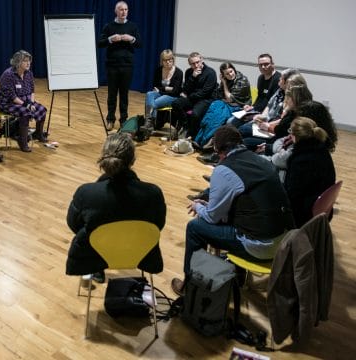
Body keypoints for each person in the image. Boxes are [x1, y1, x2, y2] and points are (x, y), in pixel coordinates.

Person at [171, 126, 293, 296]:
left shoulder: (224, 169)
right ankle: (235, 275)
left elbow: (212, 217)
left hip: (260, 247)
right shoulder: (260, 160)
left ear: (217, 150)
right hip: (284, 241)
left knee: (195, 228)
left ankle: (189, 285)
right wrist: (208, 205)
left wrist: (199, 206)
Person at [66, 133, 166, 283]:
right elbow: (158, 225)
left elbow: (73, 224)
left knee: (89, 230)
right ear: (133, 160)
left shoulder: (86, 193)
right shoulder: (153, 193)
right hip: (142, 252)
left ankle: (96, 269)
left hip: (94, 254)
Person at [284, 117, 336, 227]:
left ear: (294, 135)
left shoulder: (301, 161)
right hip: (317, 206)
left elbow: (292, 195)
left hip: (303, 213)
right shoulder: (321, 150)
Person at [98, 1, 141, 130]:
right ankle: (110, 119)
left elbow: (139, 44)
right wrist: (110, 39)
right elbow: (100, 43)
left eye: (126, 9)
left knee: (124, 94)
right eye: (121, 9)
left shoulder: (132, 26)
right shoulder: (108, 26)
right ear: (116, 11)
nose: (124, 12)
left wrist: (131, 39)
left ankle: (123, 120)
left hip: (127, 65)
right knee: (112, 94)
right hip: (112, 65)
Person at [0, 50, 48, 152]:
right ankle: (22, 140)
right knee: (25, 112)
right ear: (18, 62)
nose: (28, 63)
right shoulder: (8, 75)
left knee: (42, 109)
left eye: (29, 61)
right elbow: (12, 96)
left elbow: (32, 91)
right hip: (7, 102)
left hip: (25, 100)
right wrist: (27, 105)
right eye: (25, 61)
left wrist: (31, 103)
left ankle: (38, 133)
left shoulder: (29, 73)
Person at [193, 62, 252, 148]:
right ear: (223, 75)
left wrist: (224, 83)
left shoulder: (242, 80)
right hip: (226, 104)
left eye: (231, 71)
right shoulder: (227, 80)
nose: (230, 75)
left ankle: (208, 141)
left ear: (234, 69)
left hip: (239, 107)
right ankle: (198, 140)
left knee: (218, 118)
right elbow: (218, 95)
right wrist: (224, 85)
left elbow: (229, 98)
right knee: (210, 114)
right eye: (227, 74)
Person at [171, 52, 217, 139]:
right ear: (189, 64)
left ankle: (193, 135)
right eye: (193, 63)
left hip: (205, 99)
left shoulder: (210, 73)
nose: (196, 65)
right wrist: (193, 77)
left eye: (198, 62)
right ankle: (185, 126)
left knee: (195, 114)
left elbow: (205, 92)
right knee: (175, 103)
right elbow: (185, 89)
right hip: (192, 98)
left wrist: (189, 96)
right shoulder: (189, 72)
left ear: (201, 60)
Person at [144, 49, 183, 131]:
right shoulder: (158, 70)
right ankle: (150, 122)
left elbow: (175, 91)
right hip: (161, 93)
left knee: (153, 104)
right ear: (162, 61)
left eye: (170, 59)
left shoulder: (179, 72)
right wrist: (167, 88)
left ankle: (149, 123)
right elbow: (155, 86)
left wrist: (162, 89)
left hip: (172, 96)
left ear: (173, 59)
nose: (168, 62)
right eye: (165, 60)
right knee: (149, 94)